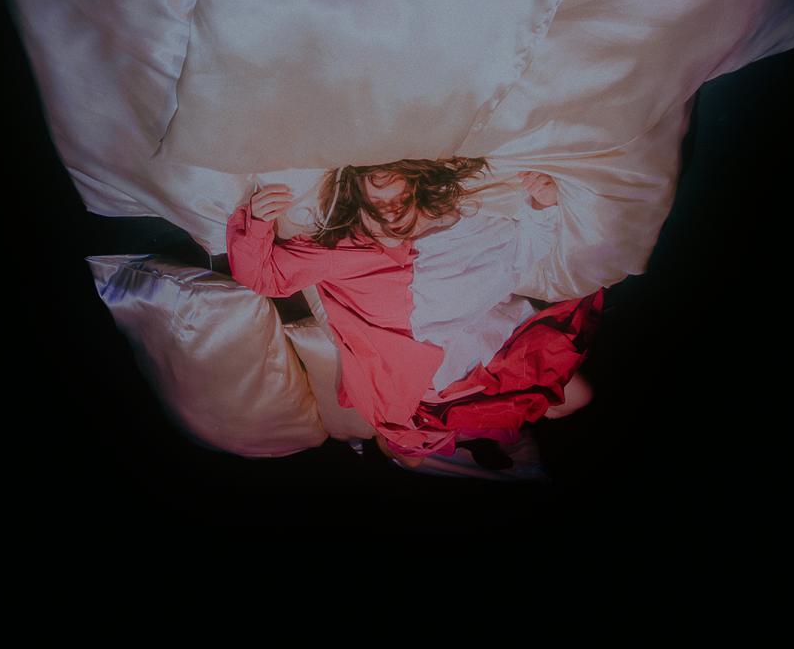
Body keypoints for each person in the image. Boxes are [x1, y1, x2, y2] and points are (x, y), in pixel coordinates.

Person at [226, 157, 604, 469]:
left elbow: (522, 254)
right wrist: (256, 222)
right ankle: (436, 443)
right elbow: (263, 277)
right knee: (411, 452)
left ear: (419, 193)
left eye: (400, 200)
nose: (392, 213)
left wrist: (542, 205)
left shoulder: (462, 229)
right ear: (357, 203)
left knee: (576, 398)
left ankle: (439, 441)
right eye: (378, 203)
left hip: (465, 366)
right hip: (434, 381)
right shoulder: (345, 249)